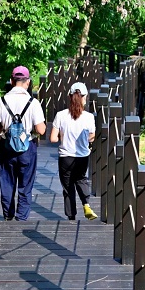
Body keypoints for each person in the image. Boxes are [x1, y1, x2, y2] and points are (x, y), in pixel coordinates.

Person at [0, 66, 46, 221]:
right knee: (26, 185)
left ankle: (8, 215)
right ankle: (21, 218)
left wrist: (4, 130)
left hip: (7, 147)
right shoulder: (33, 103)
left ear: (11, 81)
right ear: (27, 82)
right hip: (27, 148)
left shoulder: (1, 101)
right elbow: (41, 130)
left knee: (7, 183)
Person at [49, 82, 98, 221]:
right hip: (82, 156)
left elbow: (53, 138)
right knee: (81, 179)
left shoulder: (60, 115)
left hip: (65, 157)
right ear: (84, 97)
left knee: (68, 187)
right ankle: (86, 203)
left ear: (70, 96)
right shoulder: (89, 117)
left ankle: (71, 216)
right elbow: (92, 136)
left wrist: (64, 136)